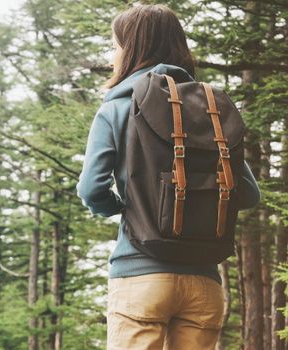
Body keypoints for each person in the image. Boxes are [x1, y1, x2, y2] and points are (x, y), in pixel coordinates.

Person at [75, 3, 261, 350]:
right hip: (204, 284)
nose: (113, 55)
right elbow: (248, 194)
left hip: (139, 277)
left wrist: (126, 206)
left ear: (131, 50)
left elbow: (90, 189)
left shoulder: (116, 107)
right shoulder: (212, 113)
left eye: (115, 46)